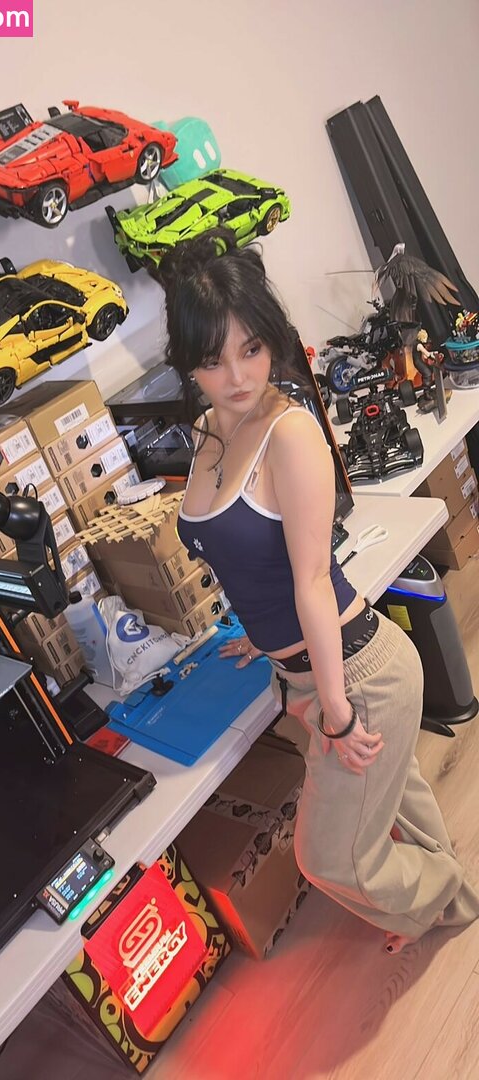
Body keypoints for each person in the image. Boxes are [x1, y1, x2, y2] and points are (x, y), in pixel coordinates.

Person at [161, 230, 479, 954]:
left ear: (270, 338)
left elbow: (309, 579)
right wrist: (260, 634)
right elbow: (239, 552)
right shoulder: (208, 429)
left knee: (329, 855)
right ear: (188, 363)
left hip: (355, 671)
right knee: (395, 794)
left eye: (251, 349)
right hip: (304, 670)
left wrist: (336, 712)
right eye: (212, 360)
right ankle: (452, 900)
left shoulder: (290, 432)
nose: (237, 376)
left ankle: (436, 899)